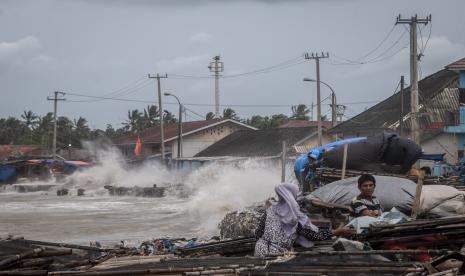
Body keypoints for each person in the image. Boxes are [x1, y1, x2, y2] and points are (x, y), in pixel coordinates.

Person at [254, 183, 354, 257]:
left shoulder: (269, 210)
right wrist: (338, 231)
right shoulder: (295, 216)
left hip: (259, 250)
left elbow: (258, 234)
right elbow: (315, 235)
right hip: (275, 256)